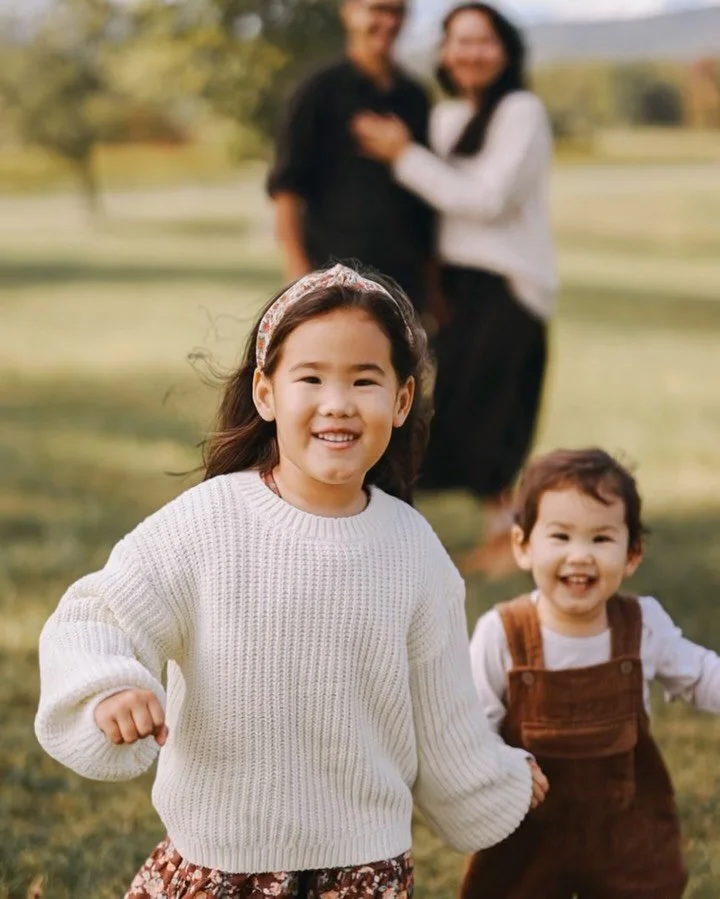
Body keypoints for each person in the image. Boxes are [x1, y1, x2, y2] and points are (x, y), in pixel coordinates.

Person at [34, 264, 548, 899]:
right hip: (221, 864)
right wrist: (110, 686)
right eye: (311, 378)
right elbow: (99, 615)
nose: (338, 402)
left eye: (364, 380)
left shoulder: (414, 551)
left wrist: (499, 782)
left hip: (364, 872)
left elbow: (445, 721)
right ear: (266, 392)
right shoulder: (209, 523)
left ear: (401, 400)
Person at [352, 3, 557, 577]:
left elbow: (486, 200)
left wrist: (403, 154)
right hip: (456, 287)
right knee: (452, 411)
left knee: (493, 408)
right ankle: (495, 530)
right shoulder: (444, 119)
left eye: (484, 41)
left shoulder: (522, 112)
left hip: (507, 283)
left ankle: (509, 538)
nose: (470, 53)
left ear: (507, 50)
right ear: (444, 52)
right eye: (458, 41)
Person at [461, 447, 720, 897]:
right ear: (523, 546)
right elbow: (470, 726)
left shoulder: (641, 624)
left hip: (623, 834)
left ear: (632, 554)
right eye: (560, 536)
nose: (580, 555)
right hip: (525, 832)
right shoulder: (501, 633)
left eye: (601, 539)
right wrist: (501, 766)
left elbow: (700, 674)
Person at [266, 0, 435, 313]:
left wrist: (433, 287)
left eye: (397, 12)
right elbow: (286, 189)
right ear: (350, 12)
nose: (389, 22)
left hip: (405, 283)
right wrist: (297, 273)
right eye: (378, 9)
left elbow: (425, 205)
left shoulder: (416, 97)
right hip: (332, 280)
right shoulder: (317, 91)